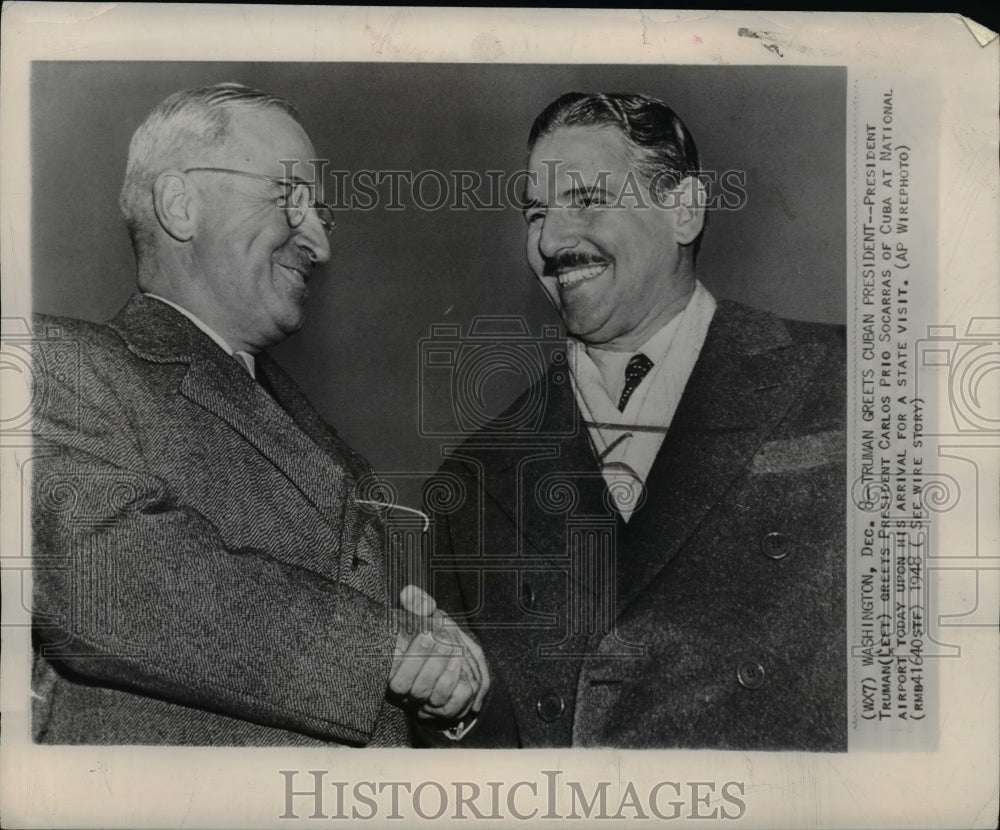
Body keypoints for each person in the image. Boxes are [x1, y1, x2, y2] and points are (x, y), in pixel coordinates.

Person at [30, 83, 487, 746]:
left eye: (320, 213)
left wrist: (447, 684)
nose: (320, 246)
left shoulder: (328, 444)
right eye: (290, 197)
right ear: (180, 205)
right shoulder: (59, 365)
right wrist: (386, 649)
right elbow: (97, 576)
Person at [429, 91, 846, 750]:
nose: (553, 241)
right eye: (536, 213)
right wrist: (454, 709)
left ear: (683, 211)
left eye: (587, 201)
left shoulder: (849, 382)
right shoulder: (473, 483)